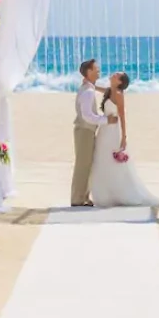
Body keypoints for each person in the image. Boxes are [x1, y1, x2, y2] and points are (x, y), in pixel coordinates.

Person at [90, 72, 159, 208]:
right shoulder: (109, 91)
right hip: (104, 130)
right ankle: (106, 194)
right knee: (101, 158)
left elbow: (122, 116)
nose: (113, 74)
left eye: (117, 75)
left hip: (113, 131)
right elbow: (96, 88)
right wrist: (89, 83)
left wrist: (124, 137)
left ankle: (119, 192)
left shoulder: (118, 94)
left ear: (120, 82)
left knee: (113, 161)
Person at [70, 59, 109, 207]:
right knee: (82, 165)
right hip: (84, 130)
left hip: (86, 131)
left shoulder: (89, 88)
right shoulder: (88, 92)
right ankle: (77, 199)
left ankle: (83, 197)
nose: (98, 70)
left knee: (86, 164)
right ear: (89, 71)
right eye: (96, 68)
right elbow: (88, 116)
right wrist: (106, 120)